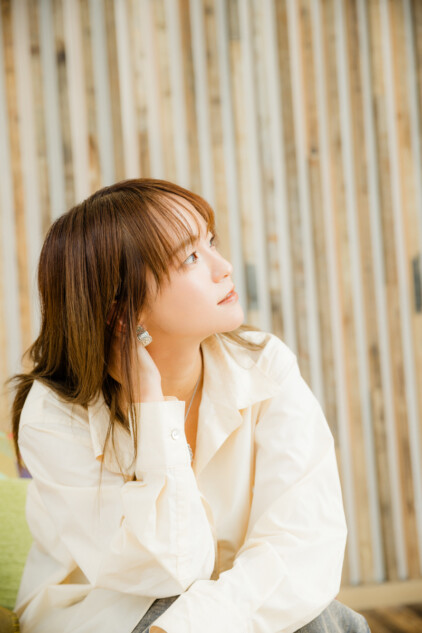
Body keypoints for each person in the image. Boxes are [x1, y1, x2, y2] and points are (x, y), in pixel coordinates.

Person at [9, 179, 370, 633]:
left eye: (210, 242)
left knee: (328, 620)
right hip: (109, 611)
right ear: (121, 311)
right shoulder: (53, 415)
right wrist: (150, 402)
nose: (225, 267)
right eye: (191, 258)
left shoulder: (264, 365)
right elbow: (167, 568)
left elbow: (303, 545)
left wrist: (196, 622)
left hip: (225, 606)